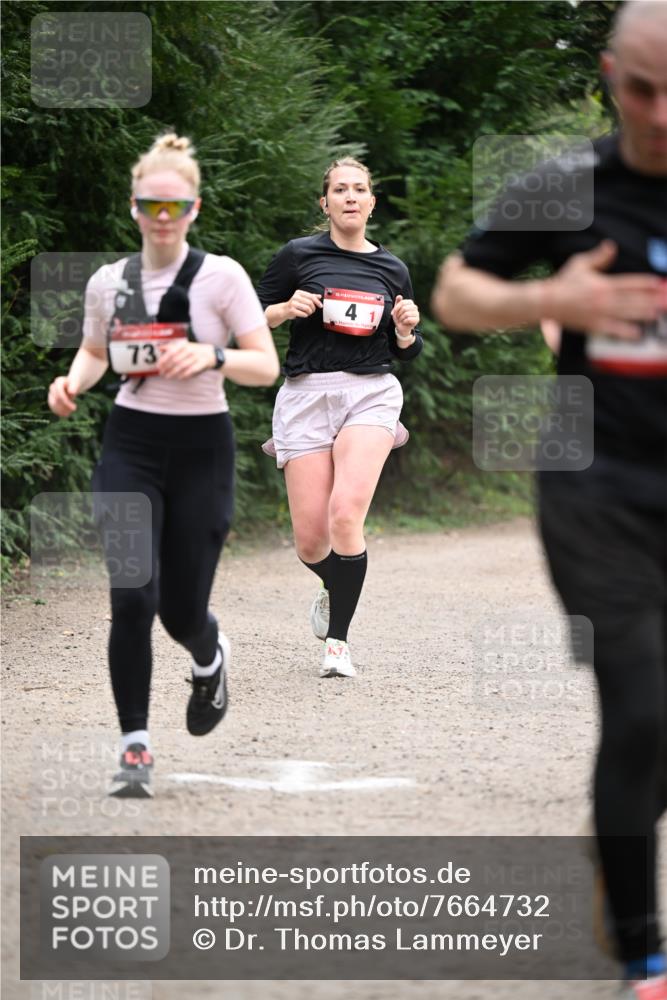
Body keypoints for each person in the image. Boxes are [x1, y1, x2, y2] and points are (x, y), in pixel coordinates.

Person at [432, 2, 666, 995]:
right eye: (643, 90)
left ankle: (622, 820)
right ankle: (644, 950)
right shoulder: (572, 183)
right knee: (642, 704)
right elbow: (452, 292)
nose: (661, 114)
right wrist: (546, 301)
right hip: (596, 484)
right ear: (611, 75)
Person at [47, 133, 279, 797]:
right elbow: (95, 352)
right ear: (134, 206)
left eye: (175, 207)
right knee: (131, 597)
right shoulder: (108, 282)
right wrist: (71, 384)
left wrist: (213, 357)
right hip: (131, 446)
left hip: (202, 449)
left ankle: (208, 657)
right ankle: (135, 747)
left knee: (179, 612)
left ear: (194, 209)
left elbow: (265, 366)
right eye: (151, 205)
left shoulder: (222, 278)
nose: (162, 217)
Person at [257, 158, 423, 678]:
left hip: (370, 393)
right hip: (307, 395)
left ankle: (337, 645)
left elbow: (408, 351)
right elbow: (247, 319)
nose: (350, 197)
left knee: (345, 515)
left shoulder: (392, 269)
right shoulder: (298, 256)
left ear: (372, 203)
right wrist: (285, 309)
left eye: (360, 189)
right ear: (324, 203)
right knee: (311, 541)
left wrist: (403, 331)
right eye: (340, 190)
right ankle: (335, 586)